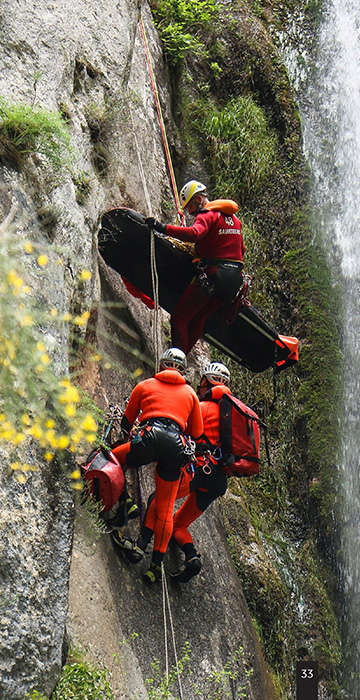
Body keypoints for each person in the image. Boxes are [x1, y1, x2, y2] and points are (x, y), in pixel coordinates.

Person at [110, 347, 203, 583]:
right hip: (176, 446)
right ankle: (155, 566)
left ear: (161, 365)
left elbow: (127, 421)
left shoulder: (146, 385)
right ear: (182, 371)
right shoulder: (191, 394)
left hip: (150, 436)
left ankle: (126, 501)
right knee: (165, 507)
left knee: (114, 458)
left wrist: (131, 439)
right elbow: (197, 432)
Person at [145, 180, 245, 354]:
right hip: (234, 282)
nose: (190, 212)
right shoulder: (234, 220)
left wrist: (162, 228)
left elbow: (194, 233)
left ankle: (175, 362)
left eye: (190, 206)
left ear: (199, 198)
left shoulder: (208, 214)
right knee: (198, 319)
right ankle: (181, 360)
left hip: (215, 276)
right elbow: (241, 249)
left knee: (180, 317)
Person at [167, 361, 234, 583]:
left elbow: (181, 429)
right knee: (179, 524)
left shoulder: (203, 406)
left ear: (206, 381)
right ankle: (192, 558)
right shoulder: (232, 415)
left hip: (200, 469)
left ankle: (147, 547)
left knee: (162, 501)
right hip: (218, 482)